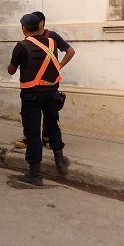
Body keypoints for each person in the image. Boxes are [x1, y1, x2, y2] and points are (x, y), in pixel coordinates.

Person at [8, 14, 70, 186]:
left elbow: (11, 70)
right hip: (52, 93)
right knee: (53, 127)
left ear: (24, 29)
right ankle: (60, 162)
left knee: (33, 132)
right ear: (40, 26)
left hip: (32, 96)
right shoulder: (52, 42)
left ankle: (35, 174)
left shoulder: (22, 46)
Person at [13, 11, 75, 150]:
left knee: (49, 117)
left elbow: (70, 51)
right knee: (30, 118)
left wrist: (58, 66)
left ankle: (47, 139)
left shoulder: (52, 37)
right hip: (32, 86)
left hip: (48, 85)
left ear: (41, 23)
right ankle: (28, 139)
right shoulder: (28, 39)